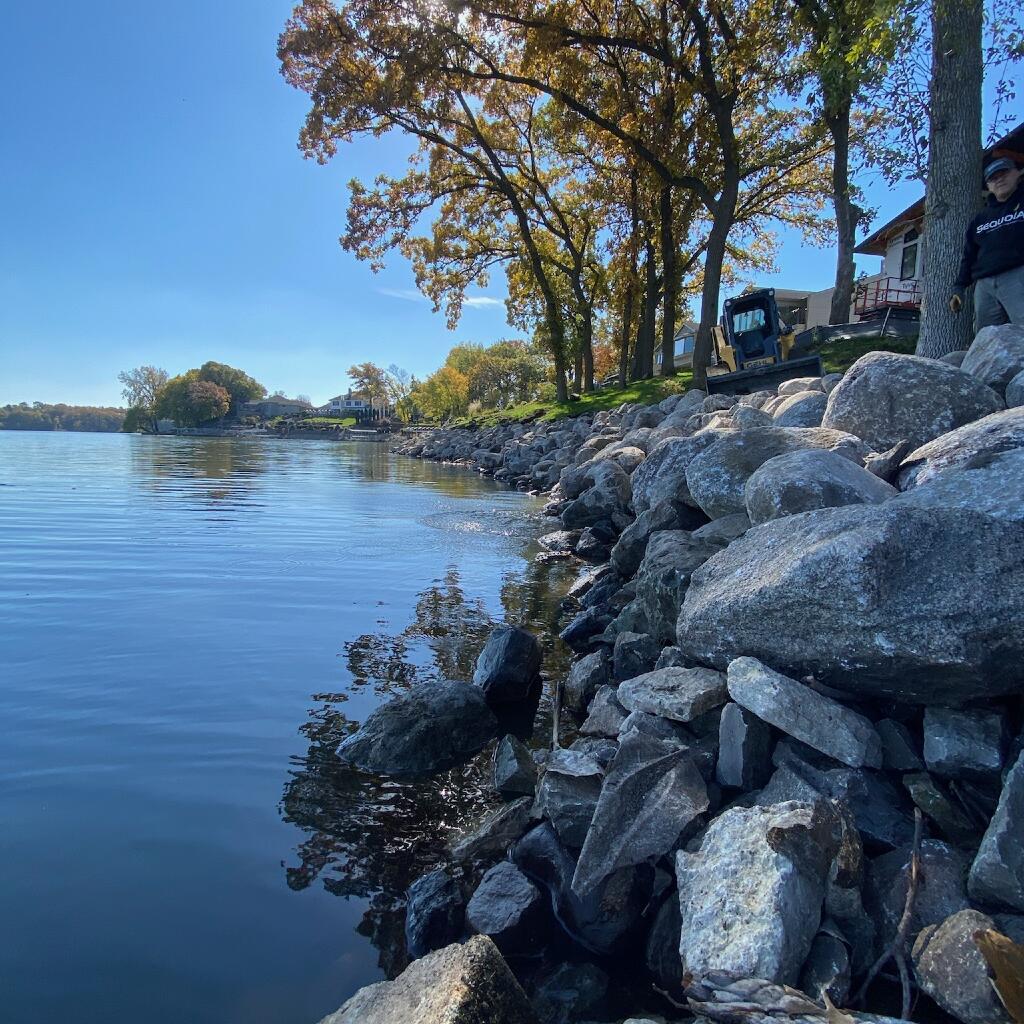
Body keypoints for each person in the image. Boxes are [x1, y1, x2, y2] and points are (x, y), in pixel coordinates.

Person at [950, 154, 1024, 328]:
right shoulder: (980, 219)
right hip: (985, 285)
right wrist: (959, 287)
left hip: (1018, 276)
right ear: (989, 185)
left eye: (1003, 174)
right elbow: (969, 255)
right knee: (985, 337)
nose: (999, 180)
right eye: (993, 178)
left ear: (1016, 174)